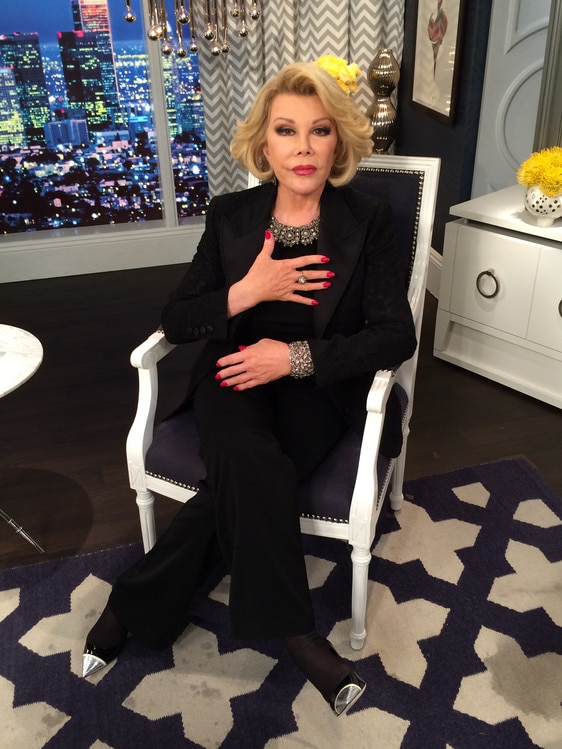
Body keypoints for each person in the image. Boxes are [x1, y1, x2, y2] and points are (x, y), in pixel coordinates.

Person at [82, 61, 417, 716]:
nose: (302, 147)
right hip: (233, 374)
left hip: (317, 386)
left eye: (319, 130)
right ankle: (297, 634)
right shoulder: (231, 215)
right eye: (286, 130)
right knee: (249, 457)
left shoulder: (369, 219)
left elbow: (393, 336)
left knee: (237, 484)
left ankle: (132, 603)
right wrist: (246, 292)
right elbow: (178, 319)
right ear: (264, 142)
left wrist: (293, 357)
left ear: (338, 142)